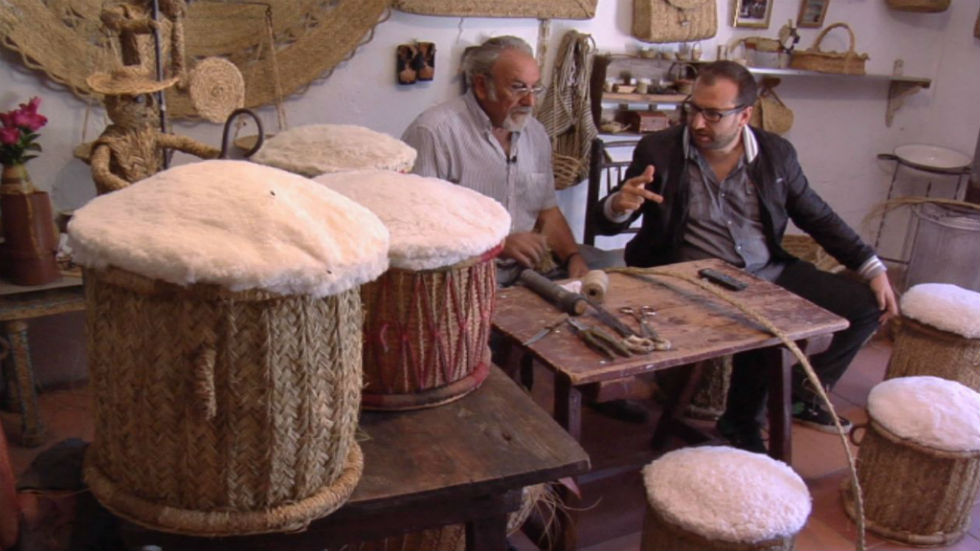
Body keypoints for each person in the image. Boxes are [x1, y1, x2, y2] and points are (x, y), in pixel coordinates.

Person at [590, 60, 899, 452]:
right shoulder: (660, 150)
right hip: (691, 278)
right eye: (693, 108)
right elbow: (607, 223)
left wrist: (871, 267)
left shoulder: (776, 154)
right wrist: (619, 205)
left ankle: (799, 395)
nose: (697, 123)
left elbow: (817, 216)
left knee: (864, 306)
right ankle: (742, 422)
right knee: (759, 324)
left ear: (745, 116)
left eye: (713, 114)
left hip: (767, 271)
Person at [401, 36, 589, 285]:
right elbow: (418, 223)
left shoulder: (535, 133)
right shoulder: (434, 132)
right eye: (518, 88)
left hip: (524, 275)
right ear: (481, 85)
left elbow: (547, 211)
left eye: (535, 89)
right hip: (459, 279)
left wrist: (573, 257)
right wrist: (497, 245)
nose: (530, 102)